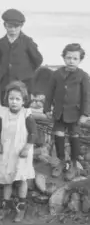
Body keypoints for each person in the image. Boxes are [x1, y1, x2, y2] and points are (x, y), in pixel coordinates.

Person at [0, 81, 37, 223]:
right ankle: (5, 206)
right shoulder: (3, 113)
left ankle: (21, 207)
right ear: (7, 99)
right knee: (7, 179)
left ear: (24, 101)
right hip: (6, 150)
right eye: (11, 98)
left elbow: (33, 133)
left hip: (21, 152)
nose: (14, 102)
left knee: (22, 178)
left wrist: (27, 147)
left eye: (18, 99)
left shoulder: (26, 114)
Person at [43, 43, 90, 180]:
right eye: (68, 57)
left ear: (80, 60)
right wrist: (46, 108)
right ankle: (62, 161)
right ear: (64, 58)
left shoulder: (83, 76)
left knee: (74, 137)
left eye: (75, 58)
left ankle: (74, 164)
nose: (71, 61)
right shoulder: (56, 74)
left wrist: (85, 114)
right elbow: (49, 92)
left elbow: (87, 96)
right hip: (59, 113)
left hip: (75, 114)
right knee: (59, 136)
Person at [0, 9, 43, 107]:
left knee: (24, 106)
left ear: (21, 26)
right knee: (5, 105)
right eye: (9, 26)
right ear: (4, 25)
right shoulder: (2, 42)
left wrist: (26, 71)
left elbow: (38, 59)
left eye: (16, 27)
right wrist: (0, 71)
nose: (12, 30)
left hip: (24, 81)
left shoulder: (27, 42)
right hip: (6, 81)